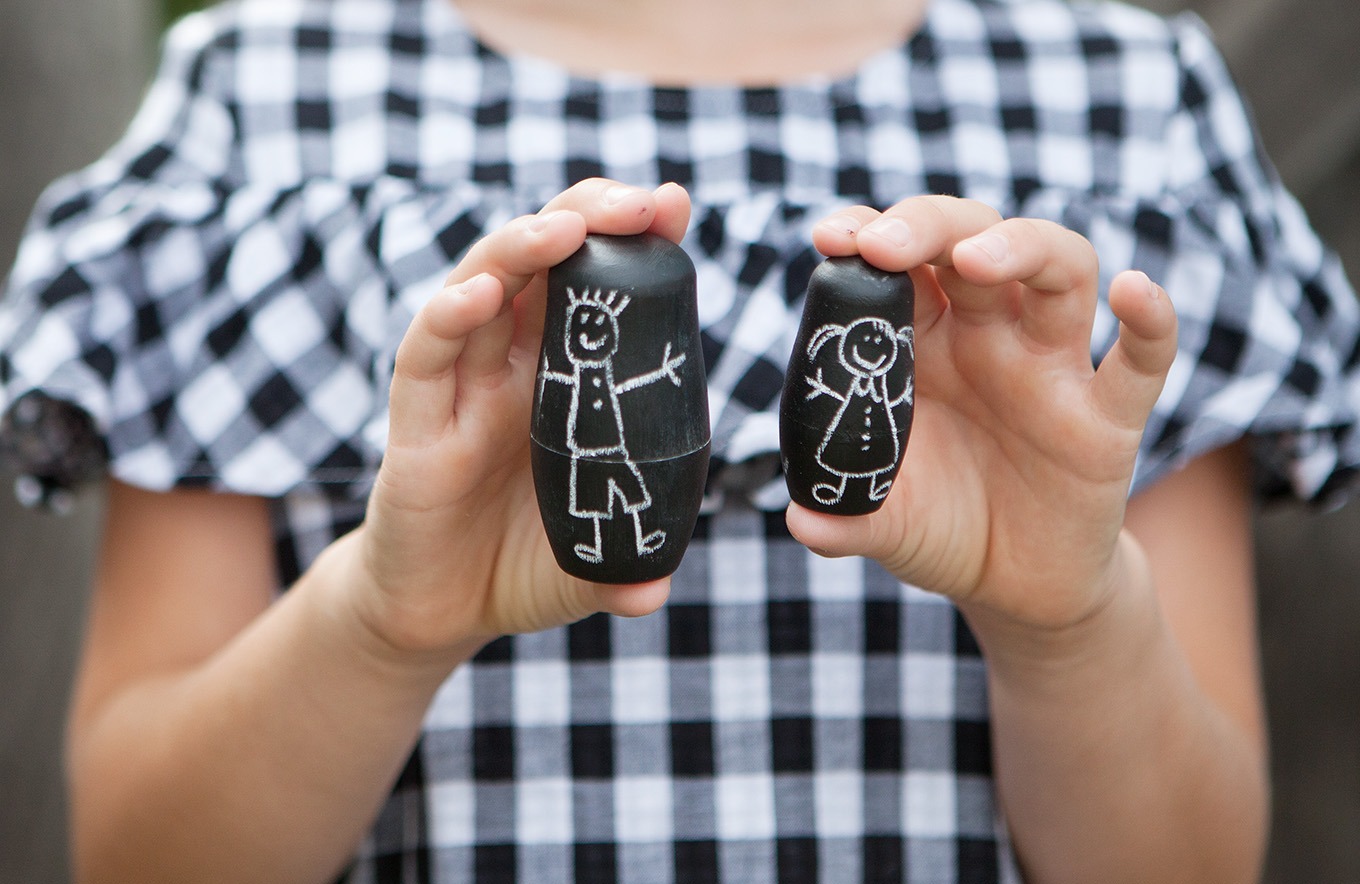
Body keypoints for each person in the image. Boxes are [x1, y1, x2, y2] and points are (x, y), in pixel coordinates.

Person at [1, 0, 1357, 881]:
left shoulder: (1117, 105)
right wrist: (381, 621)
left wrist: (1065, 620)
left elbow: (1190, 863)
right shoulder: (266, 98)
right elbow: (137, 853)